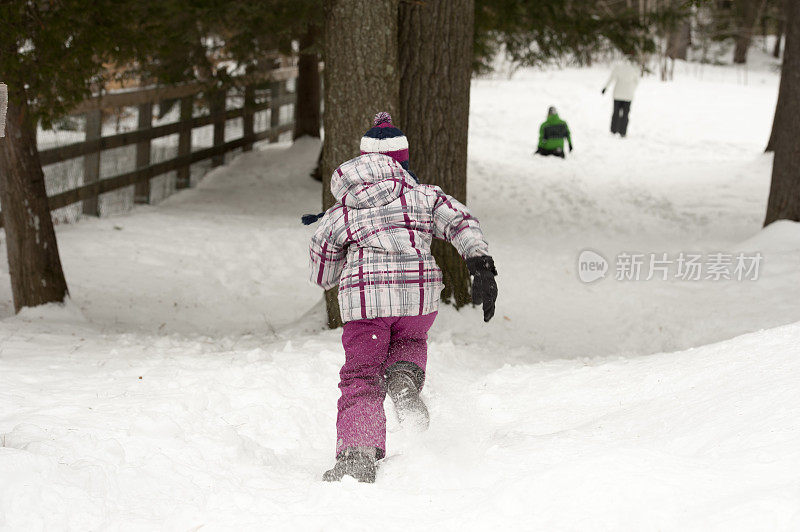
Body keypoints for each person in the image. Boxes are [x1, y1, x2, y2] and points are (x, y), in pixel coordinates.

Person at [304, 112, 498, 483]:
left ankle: (358, 454)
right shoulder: (423, 196)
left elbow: (322, 268)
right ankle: (405, 376)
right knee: (410, 338)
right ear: (402, 163)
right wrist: (480, 263)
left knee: (362, 376)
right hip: (417, 299)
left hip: (367, 307)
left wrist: (330, 274)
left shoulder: (341, 211)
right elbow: (461, 222)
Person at [602, 56, 640, 137]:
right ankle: (623, 132)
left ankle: (613, 130)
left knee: (616, 113)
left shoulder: (618, 68)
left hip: (617, 95)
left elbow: (611, 78)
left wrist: (605, 87)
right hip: (628, 96)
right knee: (625, 114)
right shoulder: (634, 69)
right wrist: (632, 89)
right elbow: (637, 82)